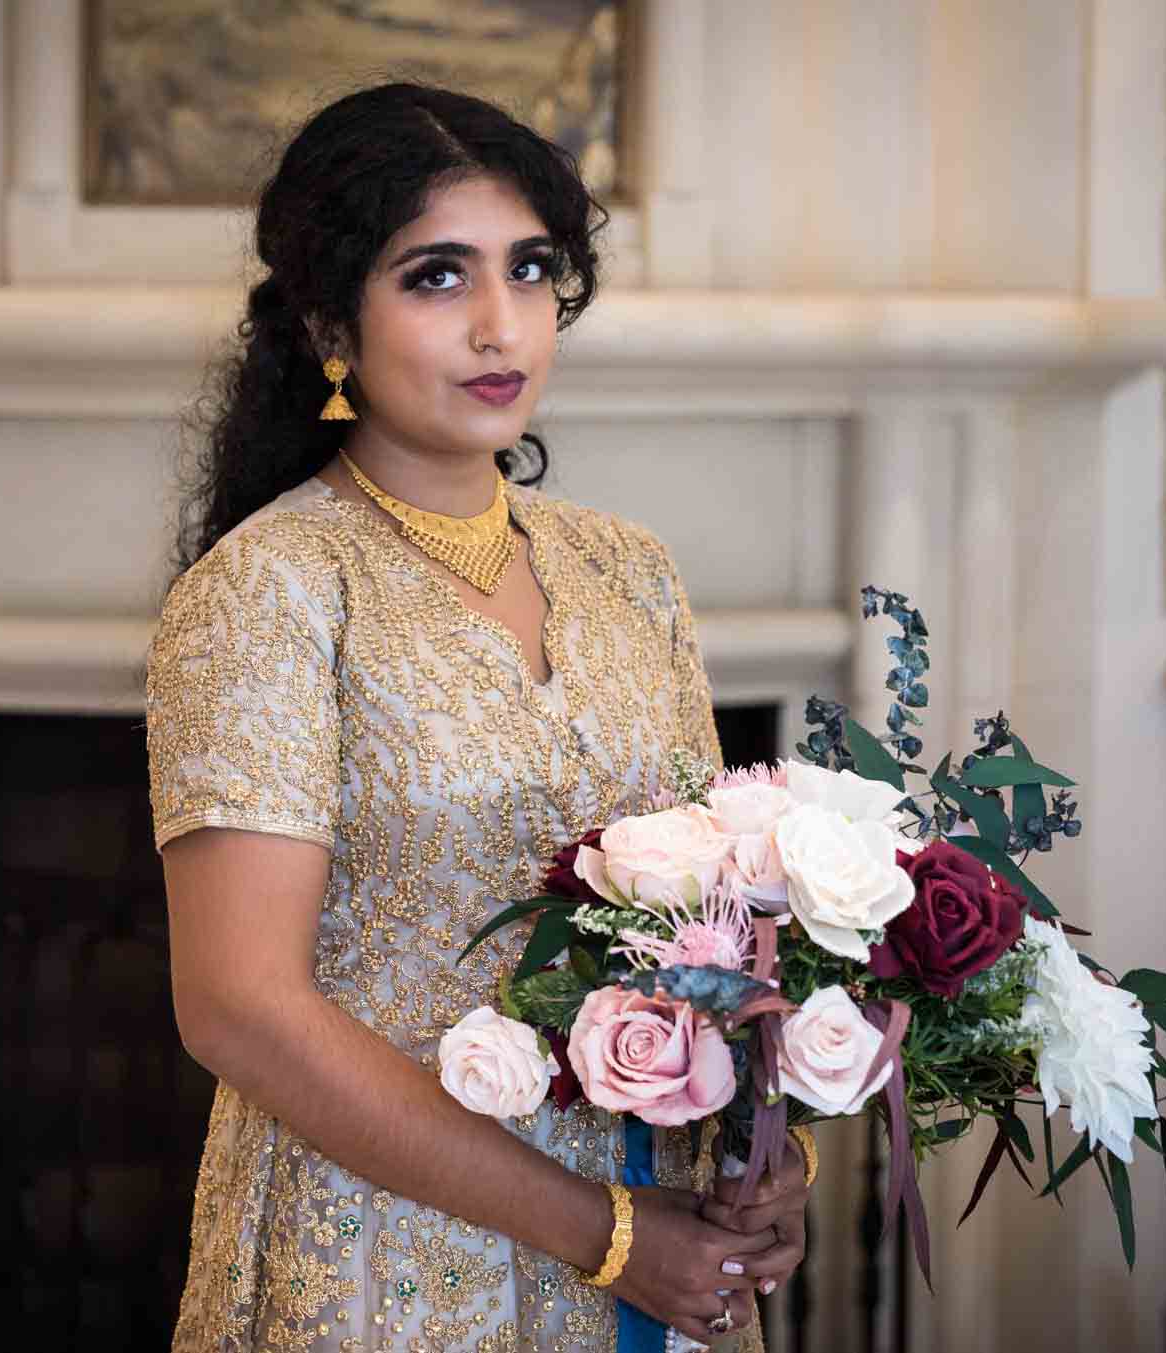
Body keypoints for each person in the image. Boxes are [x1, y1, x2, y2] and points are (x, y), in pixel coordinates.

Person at [147, 83, 811, 1352]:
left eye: (530, 269)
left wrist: (767, 1163)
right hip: (386, 1259)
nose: (500, 324)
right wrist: (604, 1234)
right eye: (436, 277)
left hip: (657, 1241)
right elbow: (236, 1007)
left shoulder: (629, 572)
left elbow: (713, 931)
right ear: (328, 318)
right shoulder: (268, 590)